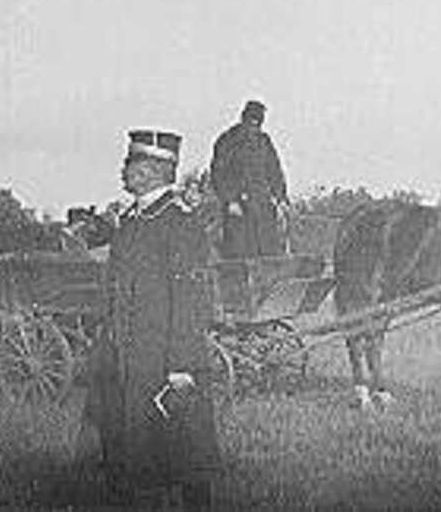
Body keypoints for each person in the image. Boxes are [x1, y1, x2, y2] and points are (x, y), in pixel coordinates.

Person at [85, 129, 222, 509]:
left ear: (157, 170)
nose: (123, 169)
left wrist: (182, 364)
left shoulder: (180, 222)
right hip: (127, 359)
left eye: (132, 163)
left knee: (185, 453)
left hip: (166, 360)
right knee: (135, 451)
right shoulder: (130, 219)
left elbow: (191, 298)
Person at [209, 99, 291, 258]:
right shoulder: (228, 140)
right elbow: (218, 173)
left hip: (263, 207)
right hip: (239, 208)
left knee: (268, 250)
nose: (254, 126)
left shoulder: (264, 141)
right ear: (244, 118)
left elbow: (275, 171)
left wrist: (281, 198)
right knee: (239, 251)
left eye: (258, 122)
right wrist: (230, 200)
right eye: (251, 121)